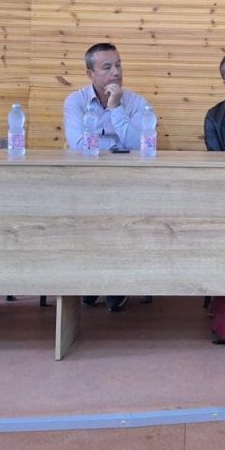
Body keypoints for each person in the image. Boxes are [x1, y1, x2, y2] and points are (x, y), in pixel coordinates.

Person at [63, 42, 155, 312]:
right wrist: (117, 146)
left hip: (129, 183)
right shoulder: (75, 102)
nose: (116, 72)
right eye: (107, 67)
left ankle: (117, 283)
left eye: (118, 65)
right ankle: (90, 279)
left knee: (127, 220)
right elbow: (79, 145)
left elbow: (142, 145)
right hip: (85, 182)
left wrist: (116, 109)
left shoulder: (137, 103)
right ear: (90, 74)